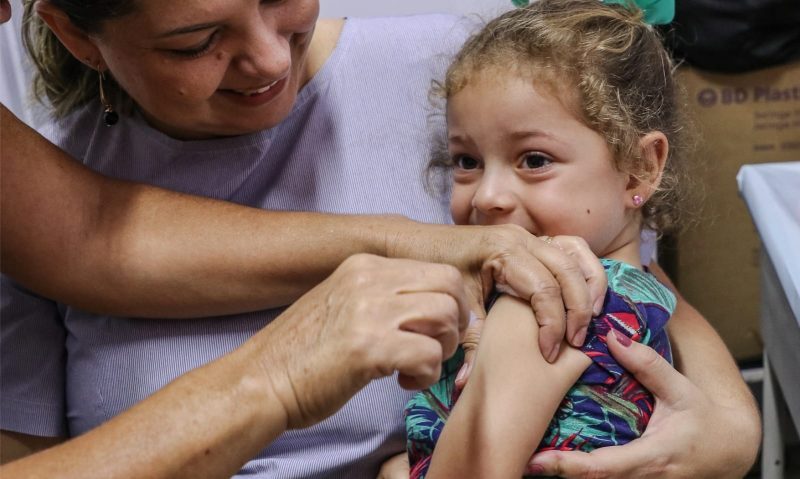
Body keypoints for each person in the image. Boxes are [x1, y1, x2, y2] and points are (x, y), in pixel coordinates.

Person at [0, 1, 759, 478]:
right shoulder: (38, 190)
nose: (269, 58)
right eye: (196, 41)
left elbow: (618, 272)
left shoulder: (462, 71)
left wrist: (731, 427)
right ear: (77, 34)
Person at [403, 1, 700, 476]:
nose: (488, 196)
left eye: (535, 160)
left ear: (639, 168)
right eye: (467, 161)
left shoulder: (549, 307)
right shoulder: (637, 297)